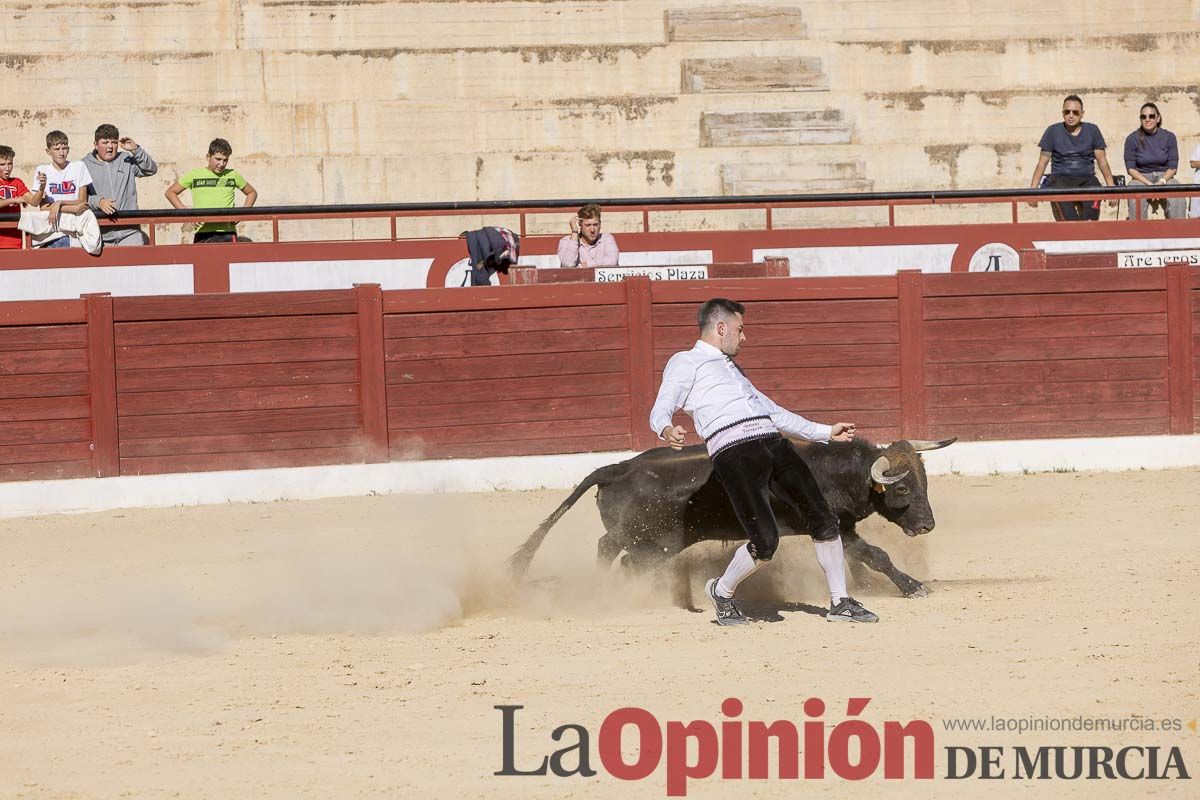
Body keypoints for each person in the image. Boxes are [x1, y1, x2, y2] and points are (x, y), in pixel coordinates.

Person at [649, 298, 877, 626]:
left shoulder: (733, 370)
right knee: (765, 541)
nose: (744, 337)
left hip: (774, 443)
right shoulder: (685, 362)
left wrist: (824, 432)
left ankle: (840, 602)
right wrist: (665, 428)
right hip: (734, 452)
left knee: (824, 518)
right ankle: (722, 592)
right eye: (740, 330)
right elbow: (661, 407)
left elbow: (771, 410)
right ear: (721, 327)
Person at [1028, 95, 1117, 221]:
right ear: (1062, 113)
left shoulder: (1092, 130)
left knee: (1092, 213)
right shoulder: (1052, 131)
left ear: (1082, 114)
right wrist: (1033, 191)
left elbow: (1102, 162)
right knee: (1069, 218)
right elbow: (1042, 164)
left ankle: (1088, 232)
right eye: (1067, 112)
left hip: (1087, 179)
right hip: (1060, 179)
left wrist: (1111, 188)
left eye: (1075, 112)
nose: (1071, 115)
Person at [164, 138, 257, 243]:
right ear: (208, 157)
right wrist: (186, 214)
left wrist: (242, 213)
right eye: (218, 159)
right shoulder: (195, 175)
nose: (222, 164)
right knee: (201, 260)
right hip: (202, 233)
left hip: (227, 232)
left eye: (225, 160)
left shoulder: (233, 175)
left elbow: (251, 192)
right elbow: (170, 192)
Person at [83, 123, 158, 246]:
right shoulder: (84, 165)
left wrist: (136, 150)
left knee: (137, 265)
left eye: (113, 142)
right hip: (100, 234)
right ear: (95, 145)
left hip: (130, 232)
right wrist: (99, 202)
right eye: (105, 142)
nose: (110, 147)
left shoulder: (127, 160)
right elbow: (80, 198)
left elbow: (151, 169)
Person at [30, 130, 93, 248]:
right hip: (51, 233)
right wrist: (73, 208)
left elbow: (82, 201)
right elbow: (43, 207)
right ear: (48, 151)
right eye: (56, 149)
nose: (61, 153)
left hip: (75, 231)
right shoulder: (42, 170)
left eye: (64, 148)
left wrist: (59, 203)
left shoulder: (79, 167)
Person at [1123, 102, 1184, 221]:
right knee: (1134, 190)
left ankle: (1178, 231)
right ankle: (1138, 231)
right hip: (1141, 178)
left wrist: (1161, 182)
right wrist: (1150, 185)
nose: (1147, 119)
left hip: (1165, 176)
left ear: (1158, 118)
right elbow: (1131, 169)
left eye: (1151, 116)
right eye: (1143, 117)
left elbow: (1173, 167)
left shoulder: (1169, 137)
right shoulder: (1132, 138)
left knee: (1177, 191)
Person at [0, 145, 43, 249]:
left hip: (15, 240)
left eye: (10, 164)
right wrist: (16, 200)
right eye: (2, 164)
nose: (7, 168)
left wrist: (42, 187)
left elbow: (34, 201)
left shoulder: (17, 182)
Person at [556, 203, 619, 267]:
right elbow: (567, 264)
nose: (592, 230)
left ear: (600, 225)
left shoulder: (606, 238)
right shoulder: (566, 241)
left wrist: (588, 265)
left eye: (595, 225)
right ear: (580, 225)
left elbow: (613, 261)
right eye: (588, 225)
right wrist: (574, 232)